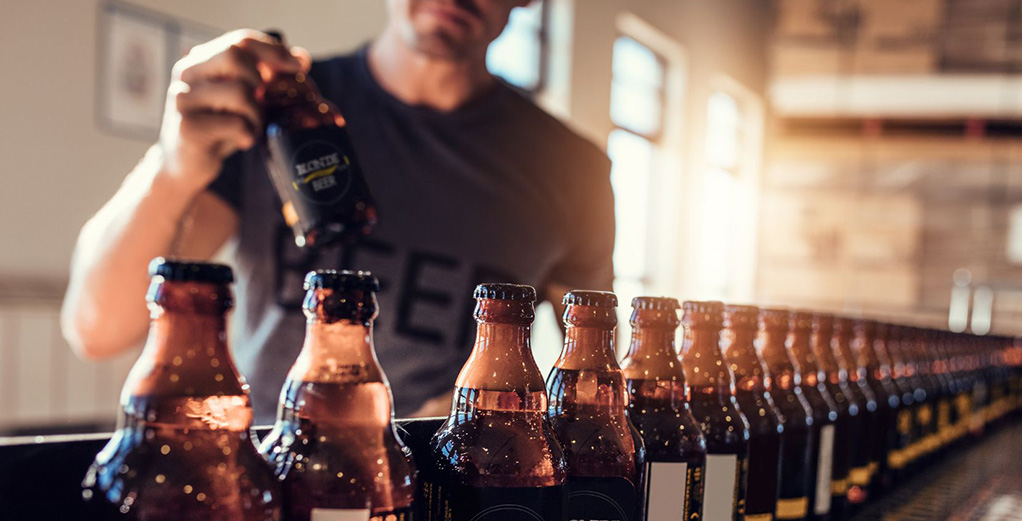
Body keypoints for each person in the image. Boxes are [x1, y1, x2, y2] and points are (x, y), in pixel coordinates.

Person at [62, 0, 616, 419]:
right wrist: (172, 164)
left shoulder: (573, 169)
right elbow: (97, 329)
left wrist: (489, 411)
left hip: (431, 494)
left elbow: (590, 367)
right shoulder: (276, 111)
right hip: (259, 474)